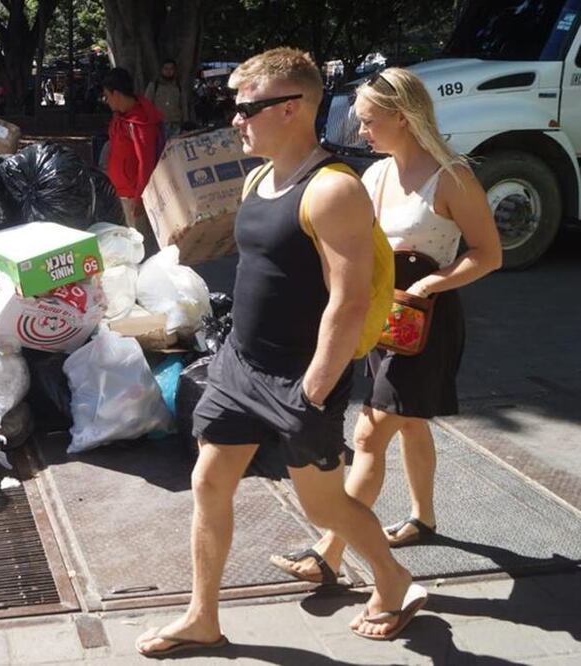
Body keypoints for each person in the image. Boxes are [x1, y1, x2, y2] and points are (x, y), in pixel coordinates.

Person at [134, 48, 425, 657]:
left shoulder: (333, 191)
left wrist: (316, 388)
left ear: (290, 109)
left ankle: (394, 582)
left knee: (324, 504)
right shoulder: (260, 177)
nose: (235, 119)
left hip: (301, 377)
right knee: (209, 480)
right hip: (242, 364)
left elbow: (347, 302)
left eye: (245, 108)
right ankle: (202, 616)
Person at [269, 67, 501, 584]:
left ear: (403, 116)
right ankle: (424, 517)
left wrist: (430, 285)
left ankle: (327, 552)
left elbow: (489, 255)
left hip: (426, 324)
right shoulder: (374, 175)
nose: (362, 131)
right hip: (383, 317)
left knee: (371, 433)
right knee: (411, 420)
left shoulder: (452, 175)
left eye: (370, 120)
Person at [103, 67, 164, 257]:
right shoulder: (121, 117)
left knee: (137, 244)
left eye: (107, 96)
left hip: (132, 195)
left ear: (117, 94)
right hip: (119, 190)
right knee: (126, 243)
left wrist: (139, 199)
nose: (106, 101)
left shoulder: (140, 122)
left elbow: (146, 163)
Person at [145, 59, 184, 138]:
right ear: (161, 70)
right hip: (159, 125)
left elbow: (183, 105)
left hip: (175, 124)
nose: (168, 71)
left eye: (171, 69)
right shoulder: (154, 86)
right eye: (166, 69)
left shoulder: (178, 86)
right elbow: (147, 105)